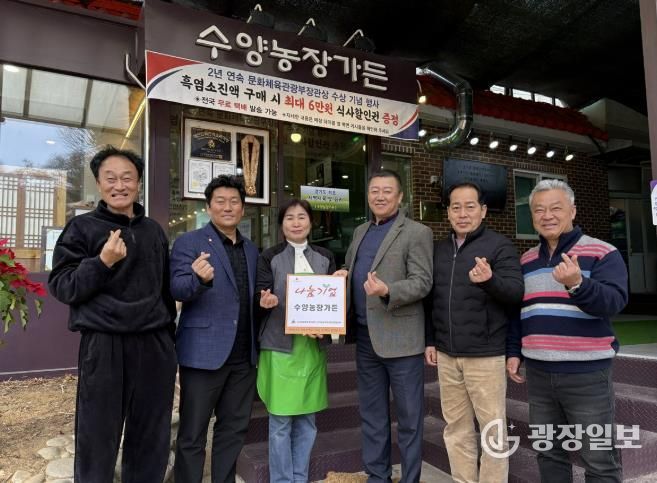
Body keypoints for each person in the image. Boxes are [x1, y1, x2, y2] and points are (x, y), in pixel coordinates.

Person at [48, 146, 177, 482]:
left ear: (139, 183)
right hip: (105, 344)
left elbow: (164, 289)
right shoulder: (82, 228)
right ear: (98, 183)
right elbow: (63, 286)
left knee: (151, 435)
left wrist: (169, 340)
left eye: (127, 178)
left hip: (154, 344)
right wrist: (102, 262)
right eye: (111, 178)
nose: (120, 185)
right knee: (97, 435)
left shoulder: (153, 231)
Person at [506, 179, 628, 482]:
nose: (547, 215)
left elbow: (614, 302)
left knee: (598, 458)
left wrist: (578, 284)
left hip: (587, 375)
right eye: (539, 210)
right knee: (548, 452)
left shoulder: (602, 252)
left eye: (556, 208)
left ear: (572, 211)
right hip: (538, 374)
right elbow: (519, 312)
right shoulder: (526, 259)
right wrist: (514, 351)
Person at [335, 169, 433, 483]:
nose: (380, 196)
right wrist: (343, 273)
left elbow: (423, 282)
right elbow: (353, 267)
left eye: (387, 191)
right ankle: (378, 476)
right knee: (372, 414)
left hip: (402, 340)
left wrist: (388, 290)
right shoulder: (360, 230)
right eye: (374, 190)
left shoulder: (417, 232)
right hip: (366, 338)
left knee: (409, 419)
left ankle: (410, 479)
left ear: (400, 196)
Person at [424, 182, 524, 483]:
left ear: (483, 210)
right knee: (456, 428)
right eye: (456, 207)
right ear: (448, 213)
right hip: (447, 354)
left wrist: (490, 280)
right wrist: (430, 340)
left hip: (486, 354)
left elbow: (515, 293)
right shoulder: (439, 250)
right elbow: (430, 300)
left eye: (470, 207)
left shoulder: (500, 246)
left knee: (492, 430)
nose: (462, 213)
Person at [170, 175, 259, 483]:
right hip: (202, 356)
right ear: (208, 207)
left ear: (243, 209)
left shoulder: (251, 249)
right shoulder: (189, 242)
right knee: (192, 434)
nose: (228, 207)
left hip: (243, 358)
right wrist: (198, 279)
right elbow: (176, 289)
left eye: (234, 201)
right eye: (220, 201)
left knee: (232, 431)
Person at [255, 198, 335, 483]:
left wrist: (327, 326)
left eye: (302, 217)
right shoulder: (269, 256)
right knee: (280, 422)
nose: (296, 223)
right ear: (281, 225)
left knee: (307, 421)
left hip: (311, 348)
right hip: (279, 346)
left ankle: (299, 478)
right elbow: (260, 293)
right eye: (289, 218)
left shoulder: (325, 256)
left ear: (311, 222)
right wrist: (264, 300)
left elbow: (333, 302)